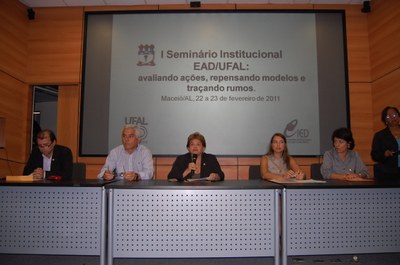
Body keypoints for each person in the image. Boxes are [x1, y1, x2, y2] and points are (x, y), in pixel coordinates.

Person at [371, 106, 400, 178]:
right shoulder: (380, 135)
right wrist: (384, 154)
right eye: (388, 116)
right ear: (385, 120)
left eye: (394, 115)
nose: (393, 118)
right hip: (389, 172)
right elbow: (374, 155)